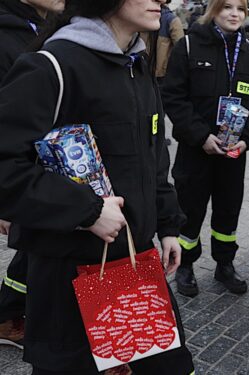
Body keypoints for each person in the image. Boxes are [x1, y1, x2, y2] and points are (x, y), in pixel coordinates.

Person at [0, 0, 196, 372]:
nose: (163, 1)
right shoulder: (53, 65)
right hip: (68, 276)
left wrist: (169, 224)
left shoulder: (135, 65)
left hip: (134, 265)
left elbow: (153, 156)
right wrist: (85, 210)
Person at [162, 0, 249, 297]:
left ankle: (225, 264)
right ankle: (185, 265)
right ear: (214, 11)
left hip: (234, 155)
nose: (234, 14)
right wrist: (201, 137)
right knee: (189, 210)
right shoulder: (188, 46)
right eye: (227, 7)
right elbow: (174, 97)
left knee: (227, 211)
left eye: (240, 9)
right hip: (196, 151)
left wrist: (248, 139)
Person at [0, 0, 64, 350]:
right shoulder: (6, 34)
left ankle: (10, 315)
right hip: (23, 177)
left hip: (52, 172)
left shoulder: (48, 26)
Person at [151, 0, 184, 83]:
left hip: (152, 70)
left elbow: (180, 48)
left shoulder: (171, 20)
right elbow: (181, 49)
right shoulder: (173, 20)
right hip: (162, 71)